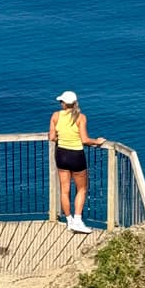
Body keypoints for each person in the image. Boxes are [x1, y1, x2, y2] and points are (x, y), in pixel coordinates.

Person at [49, 90, 105, 234]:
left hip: (61, 154)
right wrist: (97, 142)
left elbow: (52, 137)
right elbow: (85, 140)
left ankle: (69, 221)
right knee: (81, 189)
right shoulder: (81, 117)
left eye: (61, 101)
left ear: (64, 104)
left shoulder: (55, 116)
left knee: (64, 190)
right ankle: (78, 221)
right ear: (74, 103)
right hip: (76, 156)